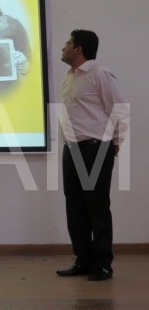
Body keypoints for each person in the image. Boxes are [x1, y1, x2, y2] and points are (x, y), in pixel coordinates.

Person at [56, 29, 129, 281]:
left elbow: (120, 110)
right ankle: (83, 260)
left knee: (96, 207)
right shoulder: (71, 76)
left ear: (79, 49)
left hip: (95, 148)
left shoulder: (100, 74)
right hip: (72, 149)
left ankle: (102, 264)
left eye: (68, 44)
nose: (63, 47)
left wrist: (115, 143)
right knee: (74, 207)